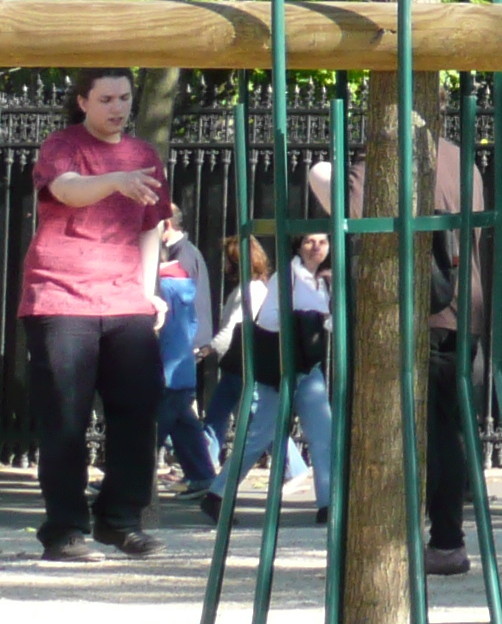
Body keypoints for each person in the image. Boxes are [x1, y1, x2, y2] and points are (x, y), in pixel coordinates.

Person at [312, 121, 483, 576]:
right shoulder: (460, 159)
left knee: (408, 429)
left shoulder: (384, 160)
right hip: (464, 307)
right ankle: (447, 540)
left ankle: (407, 541)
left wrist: (324, 176)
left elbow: (352, 222)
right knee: (448, 428)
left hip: (413, 311)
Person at [18, 66, 173, 560]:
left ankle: (119, 520)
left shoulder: (144, 155)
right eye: (106, 99)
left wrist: (149, 291)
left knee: (138, 411)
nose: (118, 108)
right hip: (60, 296)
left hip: (125, 299)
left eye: (124, 98)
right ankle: (64, 529)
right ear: (82, 101)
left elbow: (152, 225)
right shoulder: (62, 145)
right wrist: (115, 181)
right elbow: (66, 190)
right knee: (65, 418)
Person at [209, 231, 334, 526]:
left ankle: (329, 504)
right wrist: (312, 320)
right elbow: (270, 320)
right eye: (309, 241)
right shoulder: (290, 277)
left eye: (322, 242)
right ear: (298, 246)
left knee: (323, 436)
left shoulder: (320, 279)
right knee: (260, 436)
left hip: (306, 367)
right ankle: (216, 495)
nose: (316, 247)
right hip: (281, 368)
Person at [154, 201, 226, 517]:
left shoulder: (180, 258)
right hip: (183, 349)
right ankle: (202, 476)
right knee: (182, 419)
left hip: (178, 350)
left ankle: (125, 475)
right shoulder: (186, 253)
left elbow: (182, 302)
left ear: (166, 224)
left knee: (156, 420)